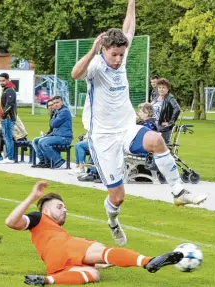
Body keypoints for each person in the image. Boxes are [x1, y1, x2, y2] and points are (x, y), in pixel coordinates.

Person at [71, 0, 207, 247]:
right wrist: (92, 50)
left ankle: (178, 191)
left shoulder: (121, 58)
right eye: (114, 55)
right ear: (104, 49)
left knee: (155, 139)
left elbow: (129, 28)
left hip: (125, 128)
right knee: (118, 196)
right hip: (102, 138)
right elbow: (75, 74)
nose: (118, 60)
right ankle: (113, 221)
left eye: (121, 55)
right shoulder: (96, 66)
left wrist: (131, 2)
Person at [5, 181, 184, 286]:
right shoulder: (40, 219)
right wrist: (32, 197)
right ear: (45, 211)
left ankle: (46, 280)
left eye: (65, 208)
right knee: (100, 249)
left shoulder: (49, 230)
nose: (64, 210)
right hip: (64, 247)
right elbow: (10, 222)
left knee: (94, 274)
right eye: (59, 207)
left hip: (54, 264)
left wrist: (101, 264)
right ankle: (148, 261)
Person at [37, 96, 73, 169]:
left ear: (62, 102)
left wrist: (53, 120)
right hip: (58, 136)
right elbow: (52, 124)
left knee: (44, 143)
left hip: (65, 138)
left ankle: (59, 161)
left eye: (57, 102)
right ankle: (48, 162)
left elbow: (53, 124)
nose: (55, 104)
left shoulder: (64, 111)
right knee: (40, 141)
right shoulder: (57, 111)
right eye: (54, 103)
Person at [151, 78, 180, 145]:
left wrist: (170, 122)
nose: (161, 89)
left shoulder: (169, 97)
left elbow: (177, 109)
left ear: (167, 89)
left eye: (163, 88)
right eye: (159, 87)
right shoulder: (156, 97)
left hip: (162, 127)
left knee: (163, 145)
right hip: (153, 125)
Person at [0, 73, 17, 164]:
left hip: (8, 118)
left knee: (8, 137)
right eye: (0, 81)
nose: (1, 82)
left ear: (8, 80)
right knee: (7, 137)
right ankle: (8, 156)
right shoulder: (6, 90)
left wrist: (3, 115)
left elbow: (9, 104)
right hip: (6, 118)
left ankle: (10, 157)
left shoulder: (10, 90)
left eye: (3, 80)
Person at [32, 99, 55, 168]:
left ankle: (47, 161)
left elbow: (56, 130)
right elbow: (51, 129)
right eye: (49, 106)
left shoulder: (57, 114)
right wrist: (46, 134)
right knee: (35, 140)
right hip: (52, 135)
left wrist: (47, 135)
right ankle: (42, 160)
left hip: (57, 136)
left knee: (41, 141)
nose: (51, 107)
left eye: (52, 105)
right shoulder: (52, 115)